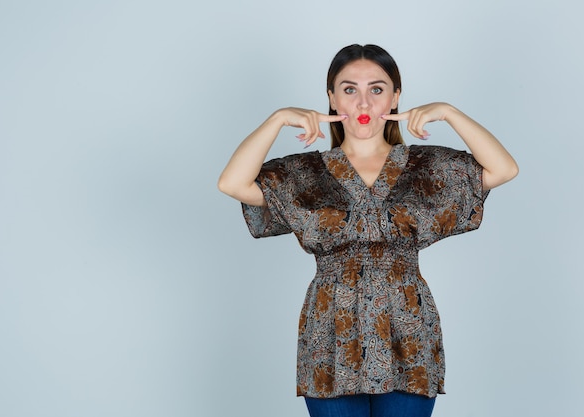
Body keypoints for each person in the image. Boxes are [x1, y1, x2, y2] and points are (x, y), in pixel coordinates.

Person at [217, 44, 518, 417]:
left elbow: (503, 170)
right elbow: (232, 183)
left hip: (407, 331)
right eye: (349, 90)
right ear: (330, 97)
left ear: (395, 96)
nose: (363, 104)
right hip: (330, 333)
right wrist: (277, 119)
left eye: (376, 89)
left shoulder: (425, 166)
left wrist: (449, 113)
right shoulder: (304, 173)